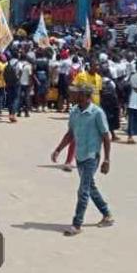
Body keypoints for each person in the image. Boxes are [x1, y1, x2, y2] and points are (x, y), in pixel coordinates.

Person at [51, 85, 114, 236]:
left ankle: (77, 224)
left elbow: (106, 136)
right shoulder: (74, 112)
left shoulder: (97, 113)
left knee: (83, 190)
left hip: (92, 156)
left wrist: (107, 160)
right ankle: (107, 214)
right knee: (90, 187)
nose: (73, 96)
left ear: (86, 97)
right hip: (80, 156)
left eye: (77, 94)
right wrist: (58, 149)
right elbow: (70, 134)